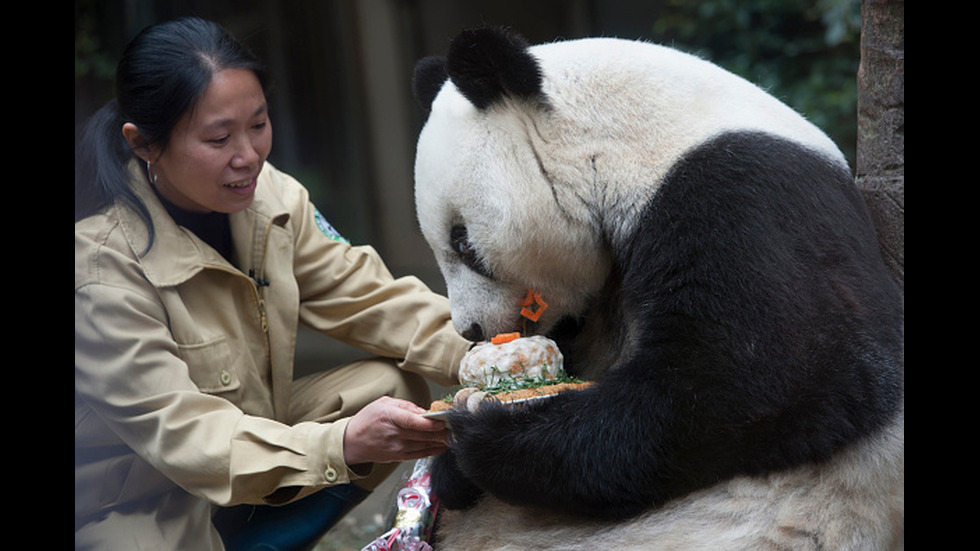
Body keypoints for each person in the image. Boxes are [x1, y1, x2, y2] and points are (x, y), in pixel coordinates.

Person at [75, 17, 471, 550]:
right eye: (219, 138)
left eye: (258, 125)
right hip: (140, 497)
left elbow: (370, 296)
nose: (249, 156)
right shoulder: (98, 269)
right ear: (144, 143)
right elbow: (185, 435)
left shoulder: (273, 198)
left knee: (391, 390)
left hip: (253, 441)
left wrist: (494, 360)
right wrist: (343, 443)